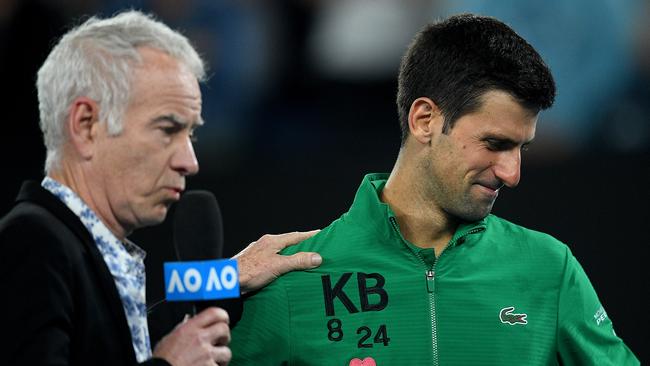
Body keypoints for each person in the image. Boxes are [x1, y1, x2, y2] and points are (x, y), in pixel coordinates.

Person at [230, 14, 640, 365]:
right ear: (425, 120)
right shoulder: (290, 279)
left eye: (522, 148)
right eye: (495, 144)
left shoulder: (550, 269)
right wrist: (216, 278)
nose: (512, 173)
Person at [0, 10, 321, 366]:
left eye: (191, 133)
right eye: (168, 129)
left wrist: (225, 279)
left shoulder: (72, 245)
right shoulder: (33, 243)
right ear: (86, 125)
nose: (190, 161)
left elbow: (115, 353)